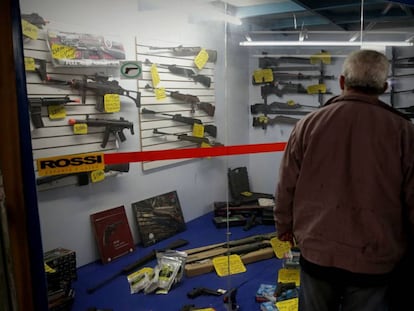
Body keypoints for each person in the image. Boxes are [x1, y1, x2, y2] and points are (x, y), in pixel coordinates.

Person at [273, 49, 414, 311]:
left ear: (341, 82)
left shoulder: (307, 124)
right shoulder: (405, 132)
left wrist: (284, 226)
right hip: (375, 259)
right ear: (383, 87)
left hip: (317, 252)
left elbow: (286, 186)